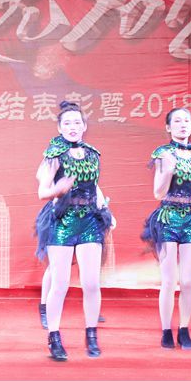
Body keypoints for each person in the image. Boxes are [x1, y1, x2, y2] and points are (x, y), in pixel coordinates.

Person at [35, 101, 113, 361]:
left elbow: (95, 186)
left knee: (91, 283)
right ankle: (54, 337)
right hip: (63, 221)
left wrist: (105, 209)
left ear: (84, 126)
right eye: (67, 123)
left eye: (77, 122)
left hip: (90, 221)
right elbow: (42, 191)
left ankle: (91, 335)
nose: (72, 127)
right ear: (59, 127)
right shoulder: (54, 155)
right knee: (60, 284)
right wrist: (58, 190)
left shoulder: (92, 154)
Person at [141, 108, 191, 350]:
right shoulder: (163, 154)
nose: (183, 124)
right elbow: (158, 192)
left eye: (186, 120)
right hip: (168, 219)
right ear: (168, 127)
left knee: (187, 282)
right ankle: (166, 330)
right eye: (177, 121)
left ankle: (184, 329)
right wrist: (168, 171)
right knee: (169, 281)